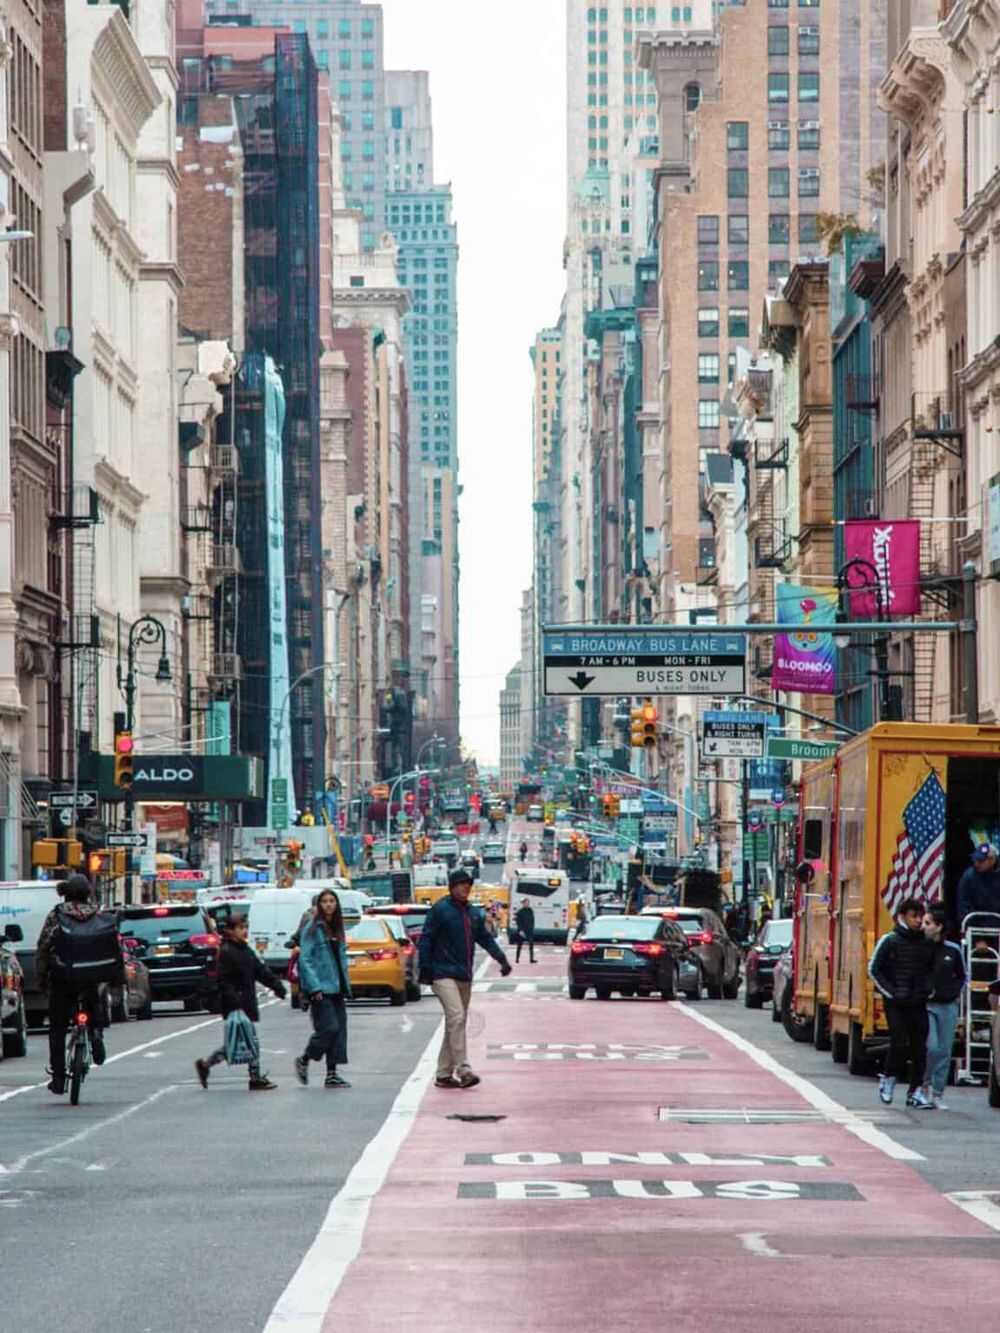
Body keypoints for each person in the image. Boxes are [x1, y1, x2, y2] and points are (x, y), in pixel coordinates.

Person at [418, 866, 511, 1089]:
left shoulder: (472, 913)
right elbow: (427, 939)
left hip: (464, 975)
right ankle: (464, 1069)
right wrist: (425, 970)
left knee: (455, 1023)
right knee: (457, 1017)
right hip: (442, 974)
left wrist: (502, 959)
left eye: (468, 884)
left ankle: (443, 1073)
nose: (466, 887)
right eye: (462, 884)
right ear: (452, 887)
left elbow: (485, 939)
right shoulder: (440, 909)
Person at [36, 874, 122, 1096]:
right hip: (91, 978)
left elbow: (44, 948)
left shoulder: (57, 915)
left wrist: (42, 978)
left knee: (57, 1027)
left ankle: (57, 1076)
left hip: (63, 979)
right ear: (87, 893)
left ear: (66, 893)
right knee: (95, 999)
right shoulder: (97, 914)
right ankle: (96, 1035)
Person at [195, 914, 286, 1091]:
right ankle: (255, 1077)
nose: (244, 931)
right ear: (230, 930)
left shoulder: (244, 949)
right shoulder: (227, 951)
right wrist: (236, 1003)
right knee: (250, 1040)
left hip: (245, 1002)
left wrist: (277, 986)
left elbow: (260, 971)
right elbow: (224, 981)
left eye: (246, 927)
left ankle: (206, 1066)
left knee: (236, 1042)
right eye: (241, 928)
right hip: (236, 1005)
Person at [868, 897, 936, 1108]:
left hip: (918, 1002)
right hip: (896, 1002)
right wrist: (891, 992)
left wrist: (928, 990)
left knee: (920, 1048)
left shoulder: (926, 943)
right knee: (898, 1043)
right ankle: (888, 1080)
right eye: (913, 916)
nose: (917, 921)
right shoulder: (890, 940)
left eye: (920, 917)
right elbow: (874, 969)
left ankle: (915, 1091)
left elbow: (932, 969)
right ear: (903, 916)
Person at [295, 889, 352, 1088]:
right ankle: (304, 1059)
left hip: (337, 986)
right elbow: (306, 959)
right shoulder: (313, 927)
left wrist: (347, 984)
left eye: (332, 901)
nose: (329, 904)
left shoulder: (337, 927)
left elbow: (342, 958)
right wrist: (314, 986)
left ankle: (332, 1073)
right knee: (329, 1028)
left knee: (339, 1031)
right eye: (325, 901)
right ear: (319, 905)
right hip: (321, 988)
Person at [922, 904, 966, 1109]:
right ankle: (924, 1084)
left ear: (939, 927)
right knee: (932, 1046)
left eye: (928, 923)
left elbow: (963, 976)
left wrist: (955, 992)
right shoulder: (922, 948)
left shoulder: (953, 950)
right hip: (927, 1004)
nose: (924, 927)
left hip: (948, 1005)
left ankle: (938, 1093)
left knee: (945, 1050)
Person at [955, 843, 1000, 928]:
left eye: (981, 861)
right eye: (975, 859)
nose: (977, 863)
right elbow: (963, 906)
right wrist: (977, 937)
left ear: (992, 860)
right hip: (976, 927)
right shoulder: (968, 877)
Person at [515, 898, 536, 963]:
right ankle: (517, 958)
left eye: (528, 903)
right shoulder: (520, 912)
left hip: (529, 930)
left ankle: (531, 959)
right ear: (523, 903)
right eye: (526, 902)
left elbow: (532, 920)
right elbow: (518, 922)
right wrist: (520, 930)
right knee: (519, 945)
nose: (527, 904)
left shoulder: (530, 910)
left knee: (531, 944)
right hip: (522, 931)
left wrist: (532, 928)